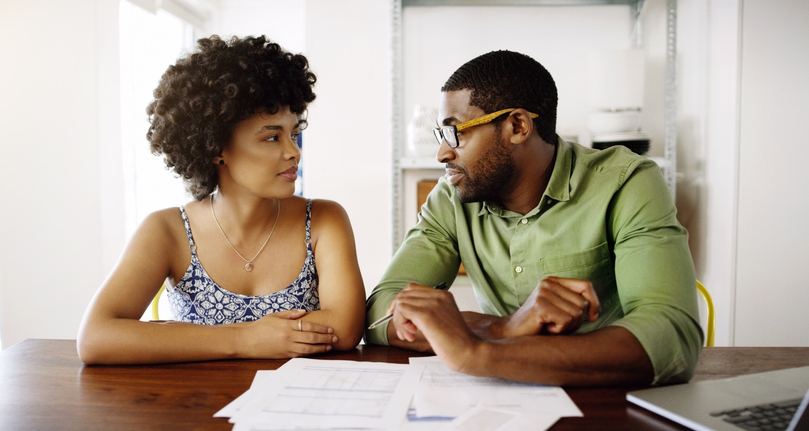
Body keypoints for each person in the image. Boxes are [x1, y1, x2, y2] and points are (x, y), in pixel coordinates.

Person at [365, 50, 702, 386]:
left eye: (456, 133)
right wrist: (504, 327)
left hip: (611, 400)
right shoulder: (451, 198)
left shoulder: (626, 182)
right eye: (441, 135)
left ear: (517, 126)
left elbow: (671, 336)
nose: (442, 153)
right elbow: (381, 312)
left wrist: (477, 353)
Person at [78, 35, 366, 364]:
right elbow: (96, 337)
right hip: (198, 409)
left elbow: (344, 327)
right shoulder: (167, 230)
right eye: (272, 137)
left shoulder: (324, 220)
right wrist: (245, 339)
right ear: (216, 148)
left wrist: (175, 337)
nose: (293, 151)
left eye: (293, 133)